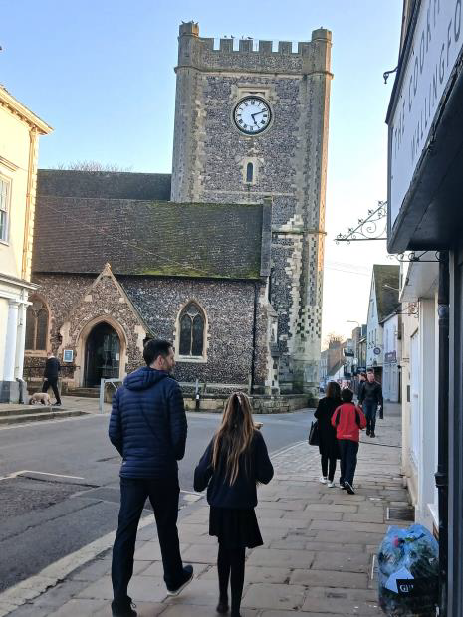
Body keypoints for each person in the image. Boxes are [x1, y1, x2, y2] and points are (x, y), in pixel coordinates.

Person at [109, 339, 192, 617]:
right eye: (171, 356)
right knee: (167, 526)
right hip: (161, 471)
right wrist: (171, 456)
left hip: (131, 471)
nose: (173, 361)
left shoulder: (122, 390)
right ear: (159, 359)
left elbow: (114, 433)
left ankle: (120, 600)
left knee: (125, 534)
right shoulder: (170, 387)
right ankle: (173, 577)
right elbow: (179, 433)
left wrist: (130, 455)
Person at [194, 392, 274, 617]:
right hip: (241, 506)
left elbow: (202, 470)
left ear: (227, 411)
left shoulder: (219, 436)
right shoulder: (254, 438)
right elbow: (266, 475)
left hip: (220, 506)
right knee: (237, 555)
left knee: (223, 549)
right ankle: (235, 609)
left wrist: (200, 484)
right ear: (248, 411)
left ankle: (222, 600)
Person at [331, 388, 366, 495]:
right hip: (352, 439)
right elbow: (363, 424)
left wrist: (341, 428)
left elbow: (333, 422)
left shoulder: (339, 409)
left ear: (342, 397)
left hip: (341, 438)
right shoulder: (356, 409)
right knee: (351, 460)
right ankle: (348, 481)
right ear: (351, 397)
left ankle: (342, 481)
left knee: (343, 460)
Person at [314, 381, 342, 487]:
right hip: (336, 432)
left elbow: (317, 415)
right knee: (333, 456)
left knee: (324, 455)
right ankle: (331, 480)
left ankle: (324, 477)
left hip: (324, 432)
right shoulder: (341, 403)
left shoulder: (323, 401)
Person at [358, 370, 383, 438]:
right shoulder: (364, 384)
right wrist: (360, 402)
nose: (370, 378)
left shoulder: (377, 385)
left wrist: (379, 404)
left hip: (374, 403)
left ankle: (372, 432)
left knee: (372, 417)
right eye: (369, 377)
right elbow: (361, 394)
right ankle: (368, 429)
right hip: (365, 402)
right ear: (367, 377)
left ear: (373, 377)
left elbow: (380, 396)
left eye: (371, 376)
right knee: (366, 416)